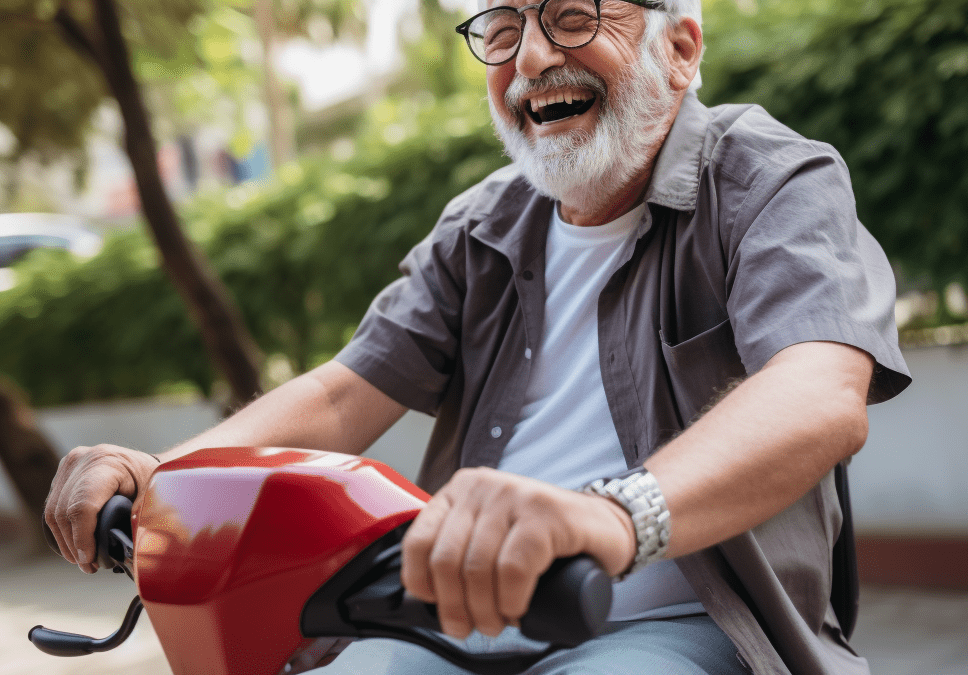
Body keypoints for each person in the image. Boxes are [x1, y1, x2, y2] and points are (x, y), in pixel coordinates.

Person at [44, 0, 911, 673]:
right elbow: (346, 391)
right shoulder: (481, 225)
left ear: (679, 51)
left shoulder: (772, 178)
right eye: (502, 28)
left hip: (679, 624)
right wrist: (163, 476)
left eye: (572, 16)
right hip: (446, 613)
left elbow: (818, 390)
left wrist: (611, 515)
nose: (533, 57)